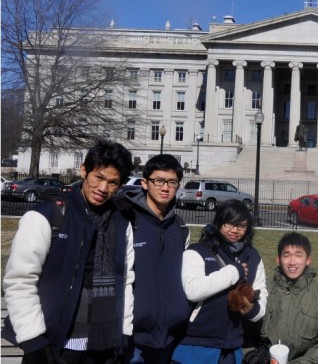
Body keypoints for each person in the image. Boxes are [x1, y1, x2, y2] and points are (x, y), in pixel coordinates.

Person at [2, 139, 135, 363]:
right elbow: (20, 280)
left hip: (103, 346)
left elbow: (125, 281)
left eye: (113, 182)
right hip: (51, 345)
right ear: (84, 171)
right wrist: (33, 340)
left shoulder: (121, 224)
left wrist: (124, 333)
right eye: (99, 177)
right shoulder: (47, 216)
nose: (103, 189)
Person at [174, 200, 267, 364]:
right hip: (197, 343)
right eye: (229, 223)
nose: (235, 230)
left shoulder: (253, 256)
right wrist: (234, 272)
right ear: (218, 222)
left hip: (233, 346)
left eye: (241, 226)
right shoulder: (197, 251)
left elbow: (262, 293)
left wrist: (253, 310)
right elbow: (192, 290)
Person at [118, 154, 191, 363]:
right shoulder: (126, 221)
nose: (165, 188)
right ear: (145, 183)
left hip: (170, 335)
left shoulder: (180, 227)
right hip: (133, 334)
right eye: (159, 181)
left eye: (172, 182)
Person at [246, 232, 318, 364]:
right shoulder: (264, 290)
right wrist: (251, 355)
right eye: (287, 255)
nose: (292, 262)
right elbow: (245, 330)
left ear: (308, 260)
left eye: (298, 255)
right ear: (278, 259)